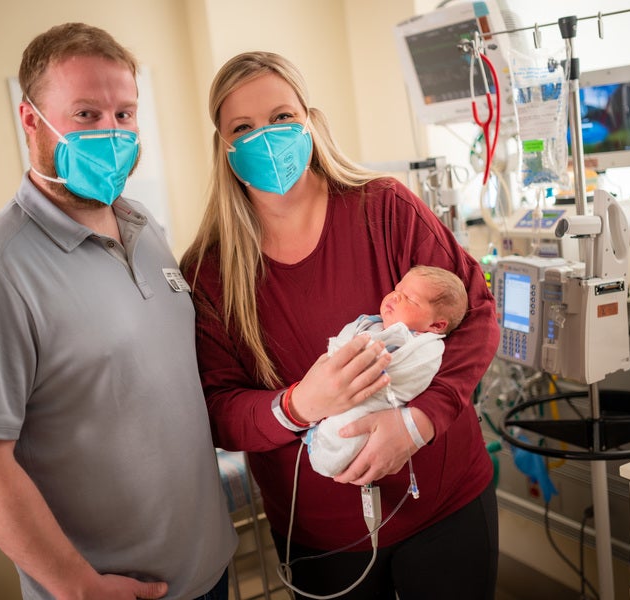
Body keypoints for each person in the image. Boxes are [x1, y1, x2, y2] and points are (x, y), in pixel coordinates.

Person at [0, 23, 237, 600]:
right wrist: (76, 586)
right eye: (87, 114)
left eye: (125, 114)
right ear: (30, 121)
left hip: (209, 569)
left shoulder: (145, 228)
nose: (112, 133)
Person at [180, 51, 501, 599]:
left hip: (445, 505)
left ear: (310, 120)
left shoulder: (385, 208)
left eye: (282, 117)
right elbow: (217, 411)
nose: (267, 136)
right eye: (243, 127)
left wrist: (419, 422)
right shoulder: (208, 275)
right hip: (321, 537)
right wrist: (300, 404)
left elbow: (475, 315)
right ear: (224, 148)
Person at [306, 265, 468, 478]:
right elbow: (340, 348)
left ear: (437, 325)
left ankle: (326, 450)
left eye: (410, 299)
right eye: (397, 289)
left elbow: (404, 378)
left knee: (346, 430)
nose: (395, 297)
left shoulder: (425, 346)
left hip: (372, 408)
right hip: (327, 399)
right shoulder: (371, 325)